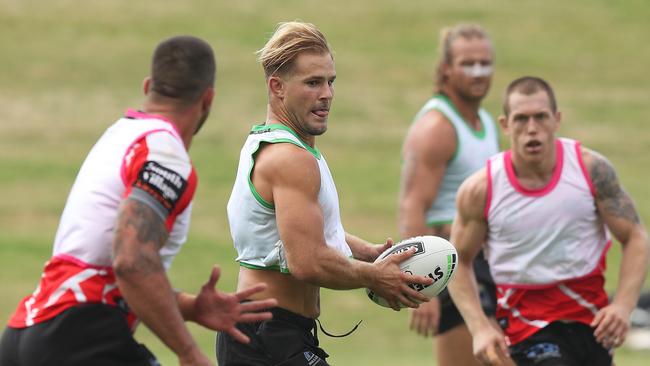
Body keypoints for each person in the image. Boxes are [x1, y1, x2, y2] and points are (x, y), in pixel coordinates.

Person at [0, 35, 277, 366]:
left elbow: (102, 271)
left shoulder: (120, 135)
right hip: (77, 337)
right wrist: (188, 352)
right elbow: (131, 261)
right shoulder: (164, 152)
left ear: (148, 87)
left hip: (24, 337)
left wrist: (189, 308)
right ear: (208, 99)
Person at [216, 21, 434, 366]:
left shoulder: (278, 145)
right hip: (268, 335)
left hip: (265, 332)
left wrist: (367, 253)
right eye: (313, 83)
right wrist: (376, 277)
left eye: (330, 81)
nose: (327, 94)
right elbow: (307, 261)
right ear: (278, 87)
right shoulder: (291, 159)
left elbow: (299, 230)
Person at [448, 76, 650, 366]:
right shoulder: (481, 189)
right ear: (505, 125)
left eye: (541, 117)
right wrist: (479, 327)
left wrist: (623, 305)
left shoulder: (591, 170)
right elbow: (459, 261)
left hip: (591, 324)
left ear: (556, 120)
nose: (532, 129)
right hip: (526, 327)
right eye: (521, 119)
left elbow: (635, 237)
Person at [399, 24, 499, 366]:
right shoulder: (438, 127)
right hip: (451, 263)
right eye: (468, 64)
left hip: (484, 262)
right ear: (446, 69)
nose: (478, 72)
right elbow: (413, 205)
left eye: (485, 63)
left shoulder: (483, 119)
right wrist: (423, 287)